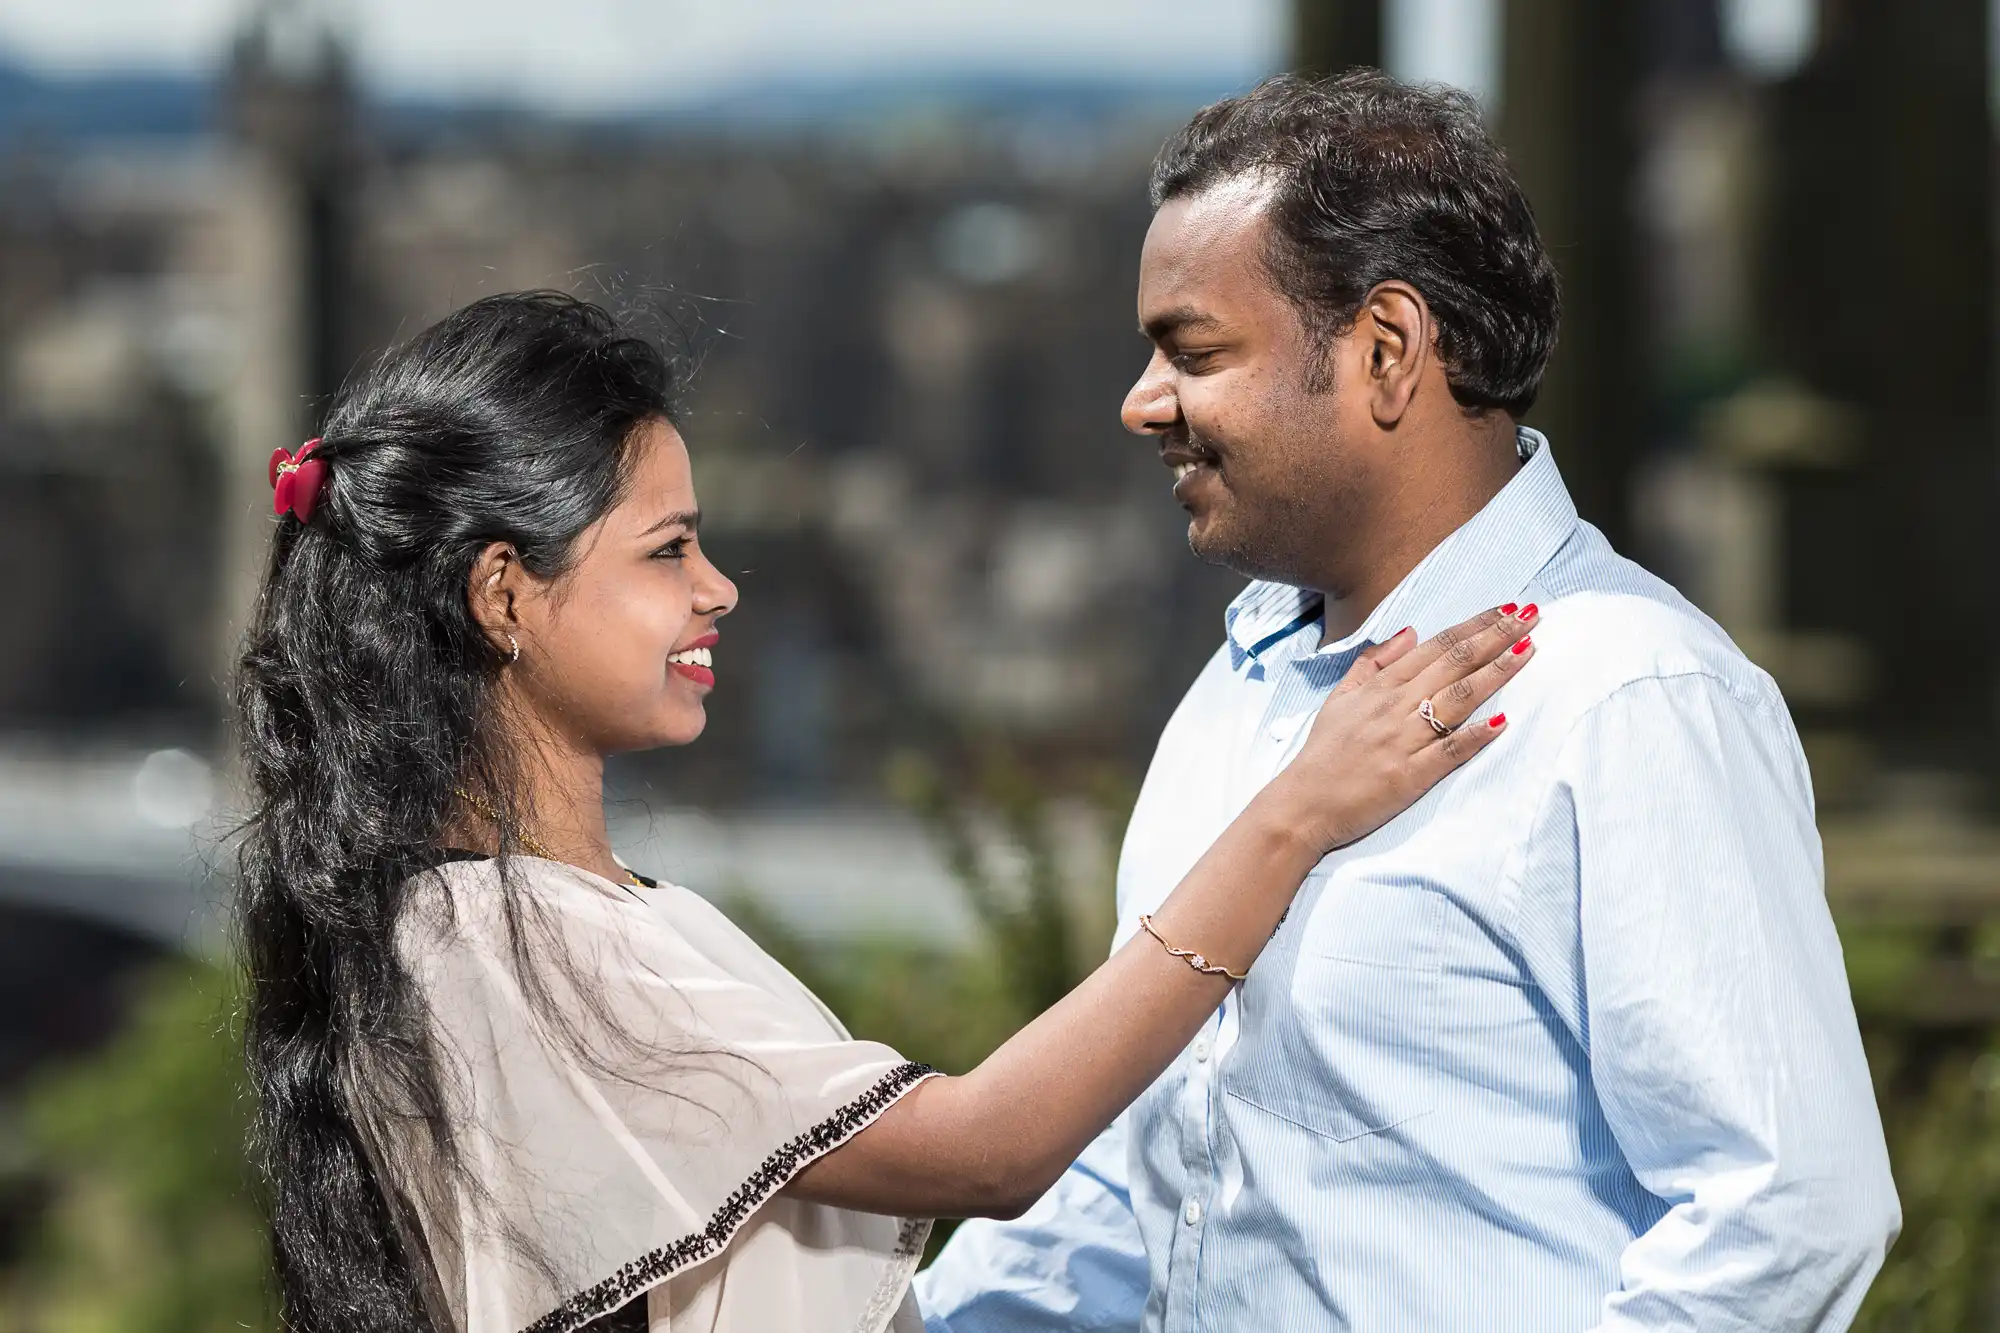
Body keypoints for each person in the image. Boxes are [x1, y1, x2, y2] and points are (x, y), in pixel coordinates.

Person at [232, 290, 1536, 1333]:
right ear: (505, 594)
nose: (719, 590)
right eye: (667, 548)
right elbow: (983, 1152)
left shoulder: (503, 923)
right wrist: (1297, 812)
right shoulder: (508, 941)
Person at [916, 70, 1898, 1333]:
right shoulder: (1235, 694)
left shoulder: (1629, 698)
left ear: (1385, 350)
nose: (1141, 402)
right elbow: (1149, 1172)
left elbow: (1786, 1212)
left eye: (1191, 350)